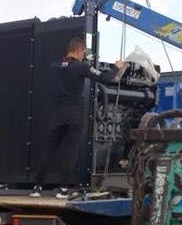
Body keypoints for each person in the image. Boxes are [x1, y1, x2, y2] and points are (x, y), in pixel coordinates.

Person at [31, 36, 125, 198]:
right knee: (70, 152)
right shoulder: (81, 67)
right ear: (79, 50)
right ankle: (63, 189)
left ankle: (37, 187)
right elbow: (106, 78)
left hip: (57, 114)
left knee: (49, 150)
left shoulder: (54, 66)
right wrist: (117, 67)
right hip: (74, 115)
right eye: (83, 53)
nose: (83, 56)